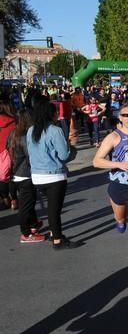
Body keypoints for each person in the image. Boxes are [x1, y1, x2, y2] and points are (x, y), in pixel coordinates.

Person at [93, 102, 128, 279]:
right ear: (120, 117)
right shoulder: (114, 137)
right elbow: (97, 161)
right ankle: (120, 220)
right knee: (120, 218)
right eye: (125, 115)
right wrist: (118, 164)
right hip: (118, 186)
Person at [27, 95, 79, 250]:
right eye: (56, 112)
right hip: (54, 175)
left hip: (36, 175)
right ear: (51, 114)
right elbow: (64, 155)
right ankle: (57, 238)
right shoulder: (55, 130)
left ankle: (54, 232)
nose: (58, 114)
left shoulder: (31, 130)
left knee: (51, 208)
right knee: (54, 210)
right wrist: (73, 147)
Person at [9, 109, 42, 243]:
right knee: (26, 206)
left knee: (29, 202)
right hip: (26, 174)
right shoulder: (26, 136)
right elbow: (31, 156)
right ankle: (26, 233)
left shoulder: (13, 134)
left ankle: (33, 224)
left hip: (16, 173)